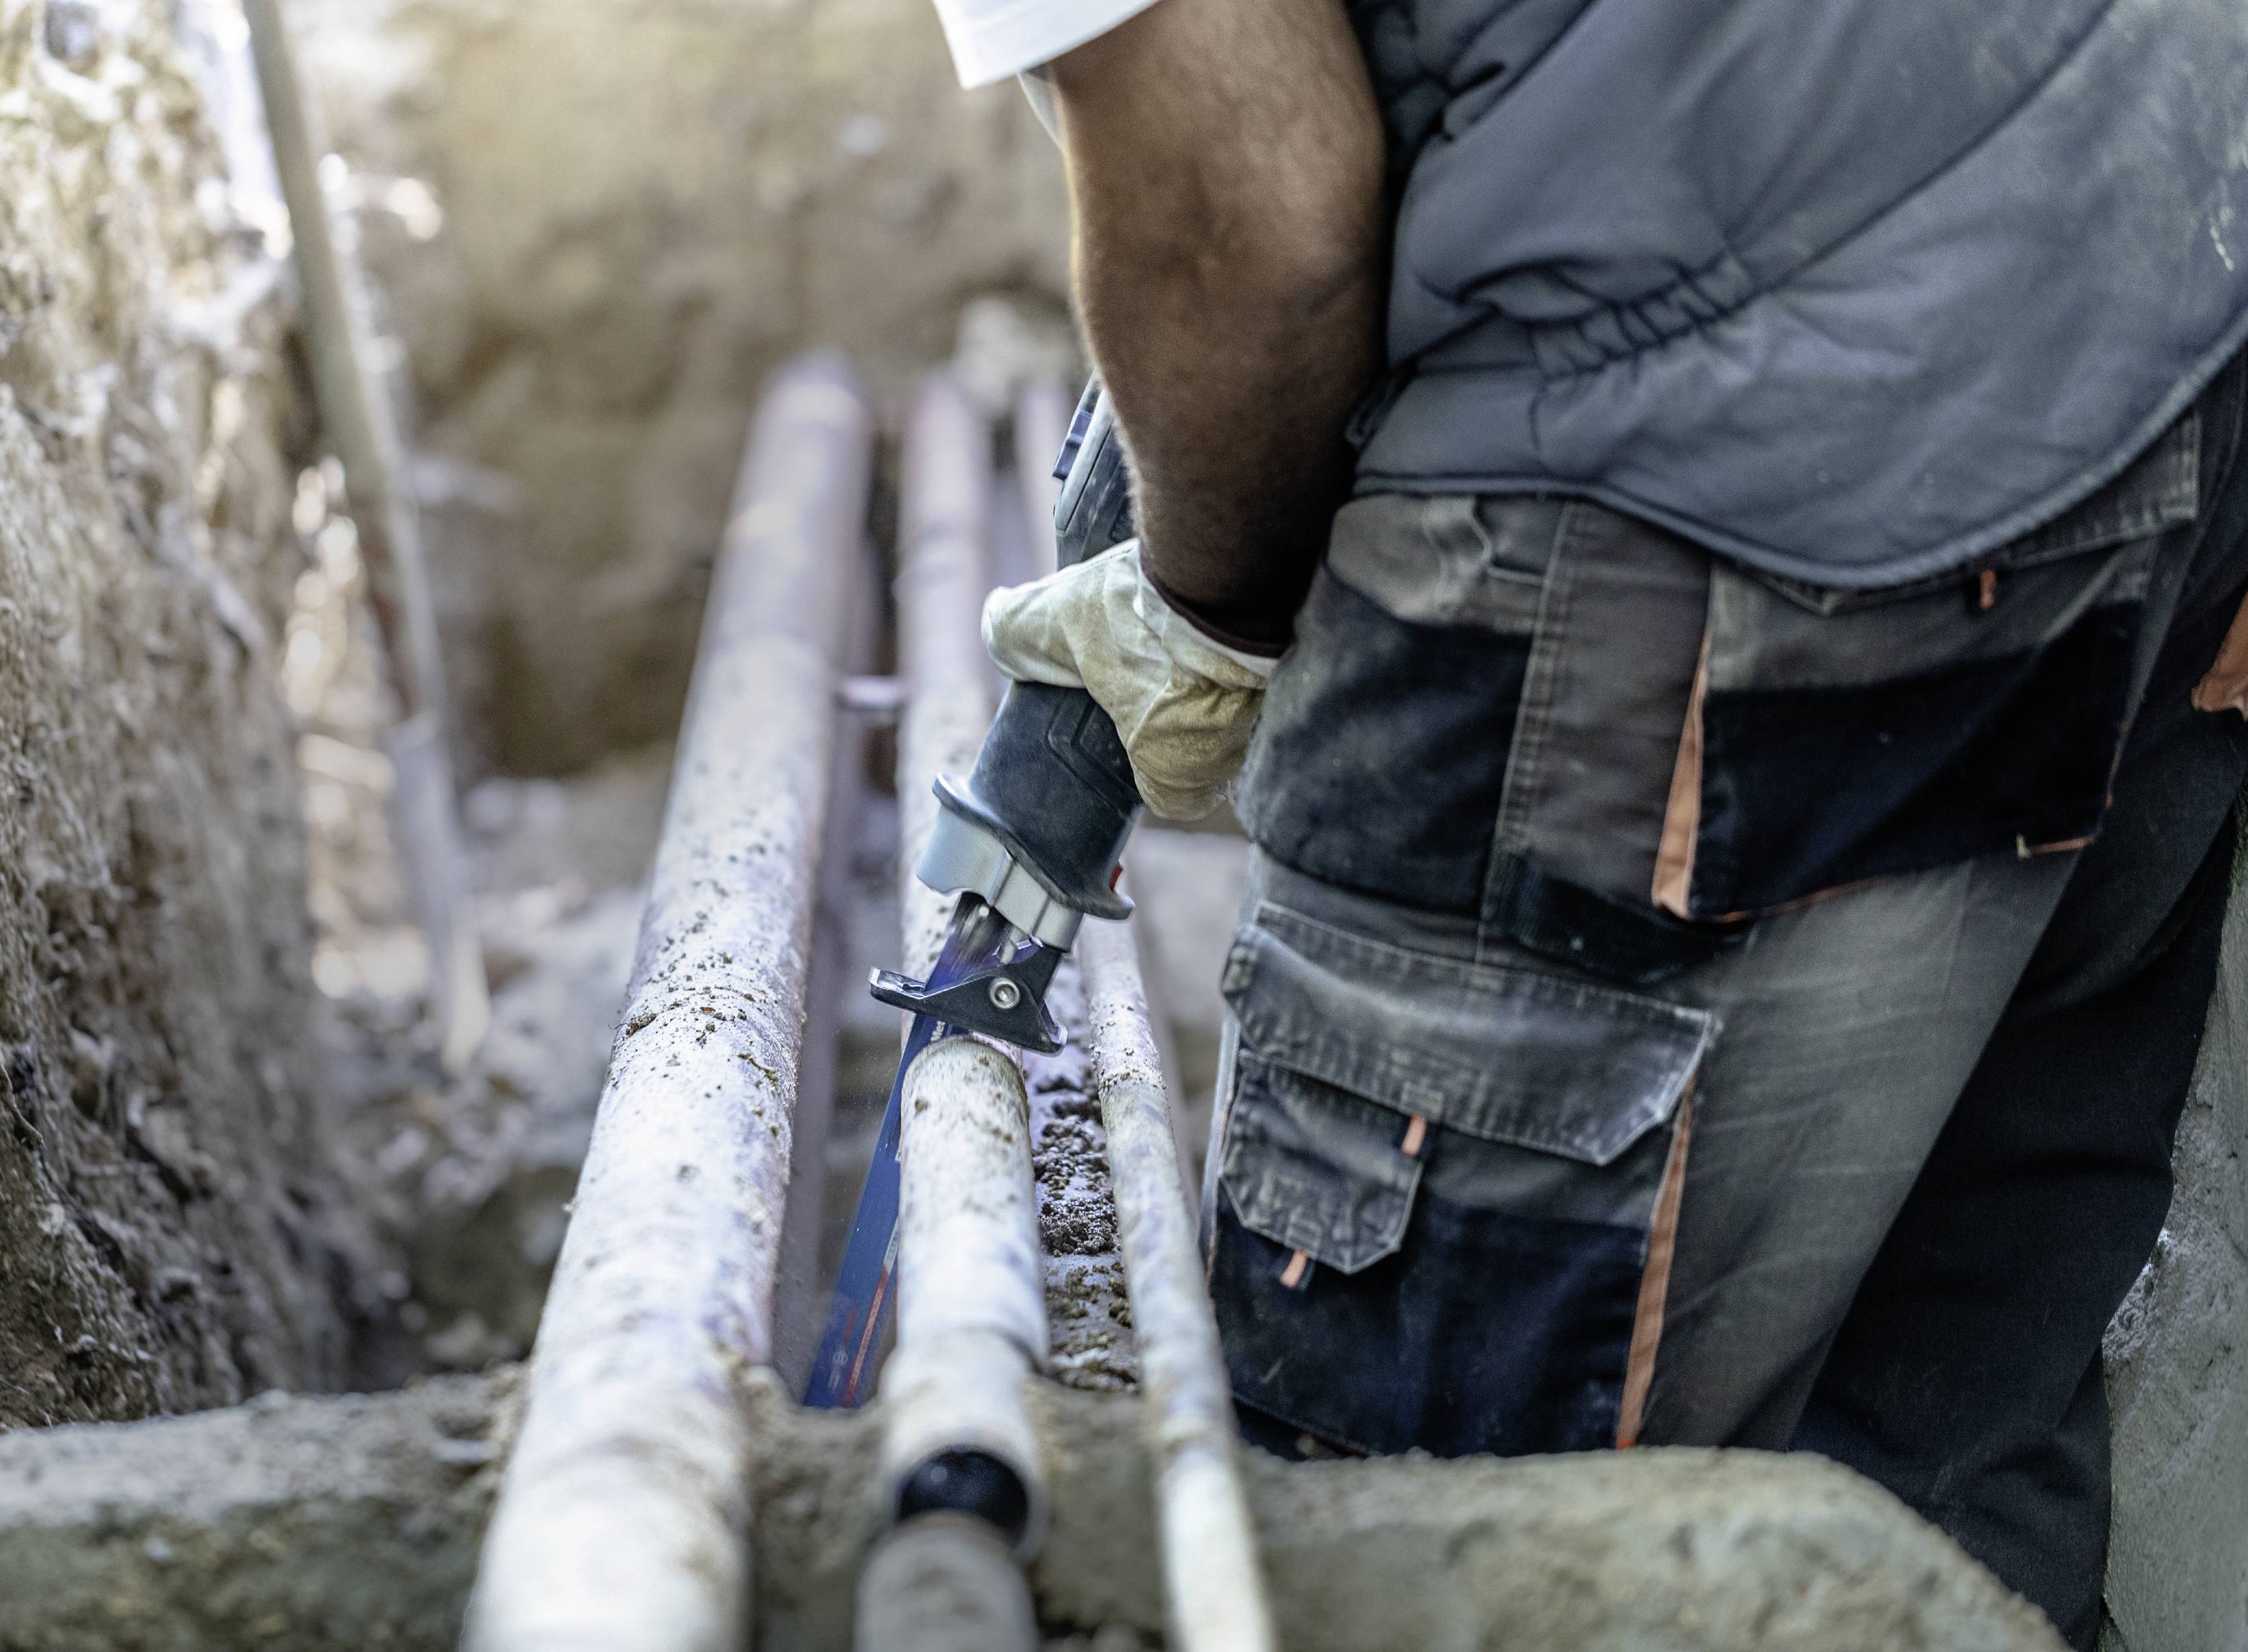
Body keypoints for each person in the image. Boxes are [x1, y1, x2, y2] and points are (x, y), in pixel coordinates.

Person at [924, 1, 2248, 1643]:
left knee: (1425, 1553)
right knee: (1937, 1491)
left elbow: (1241, 224)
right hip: (2170, 381)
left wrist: (1206, 612)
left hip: (1686, 507)